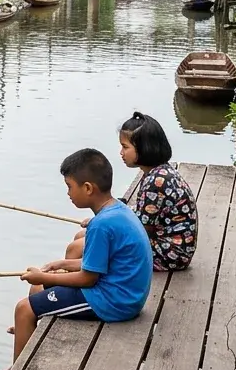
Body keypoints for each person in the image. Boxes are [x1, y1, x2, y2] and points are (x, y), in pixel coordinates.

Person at [0, 148, 152, 370]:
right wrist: (61, 265)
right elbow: (100, 263)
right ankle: (25, 348)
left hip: (113, 301)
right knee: (38, 285)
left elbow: (88, 279)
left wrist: (48, 277)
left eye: (69, 187)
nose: (68, 194)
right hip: (124, 292)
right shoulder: (117, 210)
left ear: (87, 188)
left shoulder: (101, 224)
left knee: (24, 309)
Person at [64, 113, 197, 271]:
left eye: (125, 147)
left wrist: (103, 223)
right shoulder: (157, 172)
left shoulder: (156, 181)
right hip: (167, 245)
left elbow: (139, 229)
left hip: (170, 254)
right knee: (82, 237)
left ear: (144, 148)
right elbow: (142, 214)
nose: (121, 152)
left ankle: (76, 285)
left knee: (76, 248)